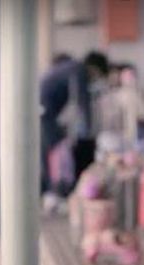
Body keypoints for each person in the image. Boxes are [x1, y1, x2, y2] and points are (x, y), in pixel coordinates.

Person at [39, 51, 109, 196]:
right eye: (98, 76)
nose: (95, 80)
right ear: (94, 68)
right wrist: (88, 131)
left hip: (43, 112)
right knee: (55, 151)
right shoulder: (79, 70)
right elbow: (82, 102)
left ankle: (53, 191)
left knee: (52, 150)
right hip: (44, 113)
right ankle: (55, 192)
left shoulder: (71, 67)